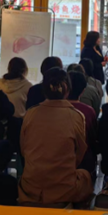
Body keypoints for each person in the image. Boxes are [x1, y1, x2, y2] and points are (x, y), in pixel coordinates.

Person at [19, 68, 93, 205]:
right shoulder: (76, 116)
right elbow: (79, 155)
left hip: (31, 188)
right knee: (86, 176)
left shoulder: (30, 114)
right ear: (67, 90)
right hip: (63, 189)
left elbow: (24, 150)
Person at [66, 70, 98, 179]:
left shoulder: (54, 110)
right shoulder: (88, 111)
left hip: (60, 163)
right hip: (84, 164)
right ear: (83, 90)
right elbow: (92, 138)